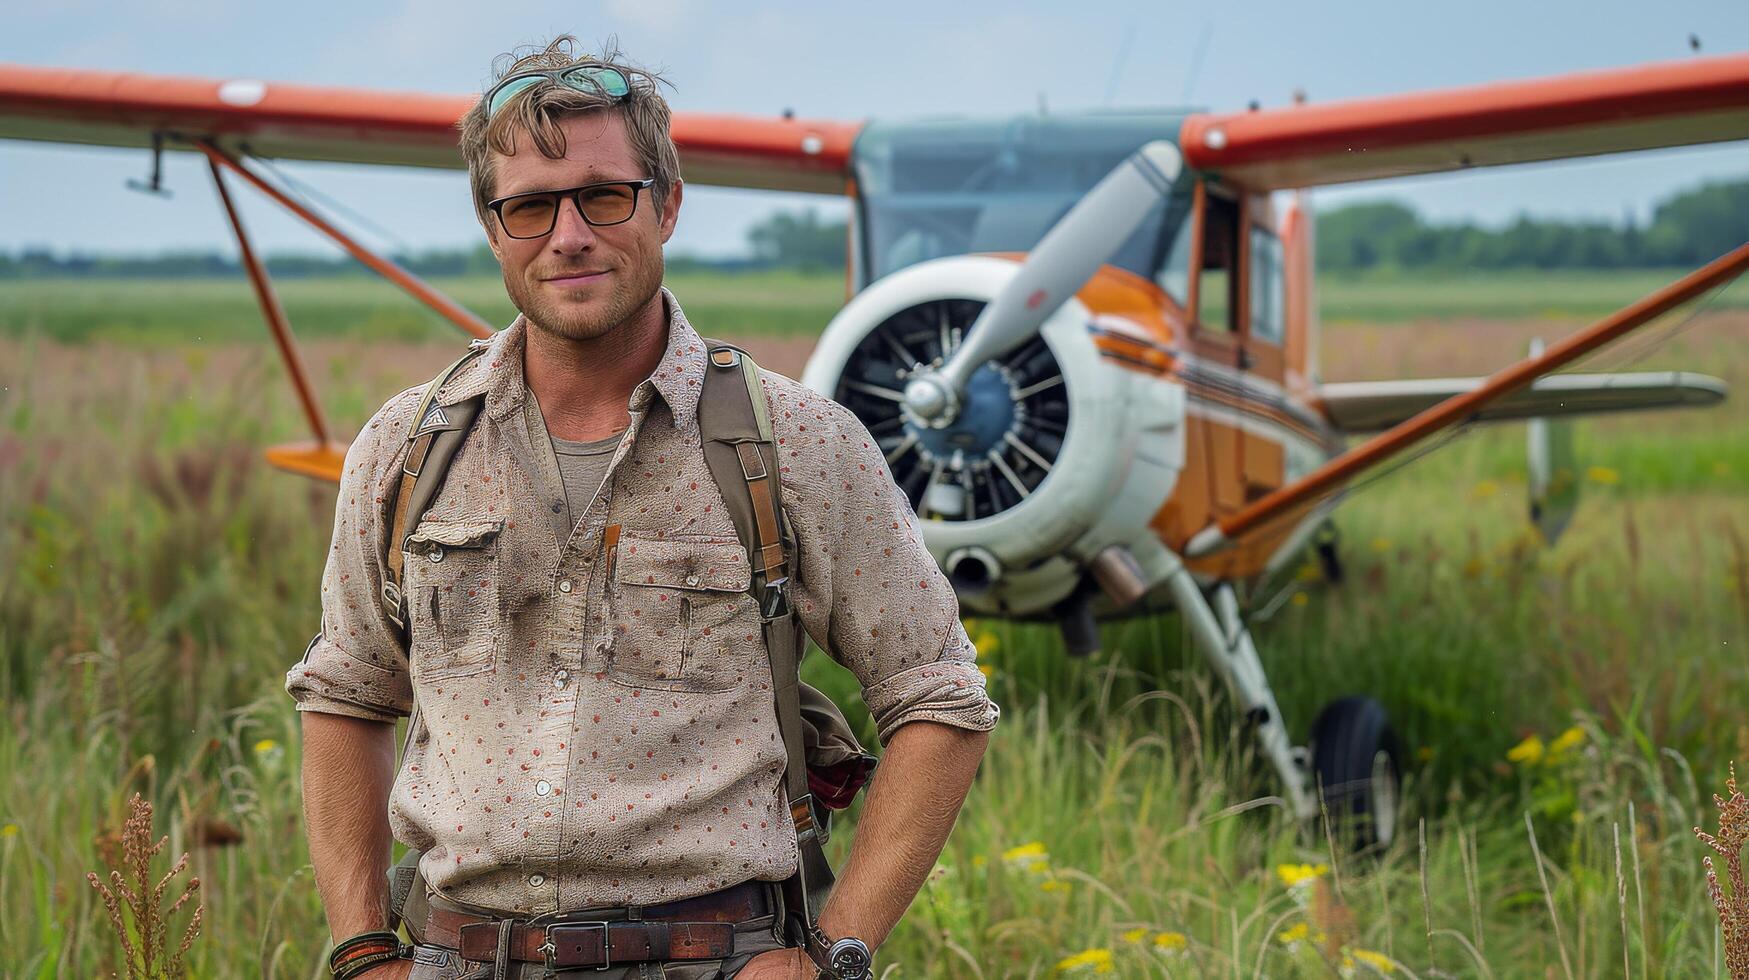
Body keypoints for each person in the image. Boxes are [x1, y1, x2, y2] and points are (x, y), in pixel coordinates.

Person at [286, 36, 998, 980]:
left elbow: (938, 695)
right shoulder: (405, 446)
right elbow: (348, 693)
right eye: (530, 206)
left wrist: (834, 953)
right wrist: (365, 950)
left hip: (715, 955)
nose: (568, 234)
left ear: (666, 204)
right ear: (492, 227)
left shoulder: (798, 443)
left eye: (603, 196)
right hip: (455, 956)